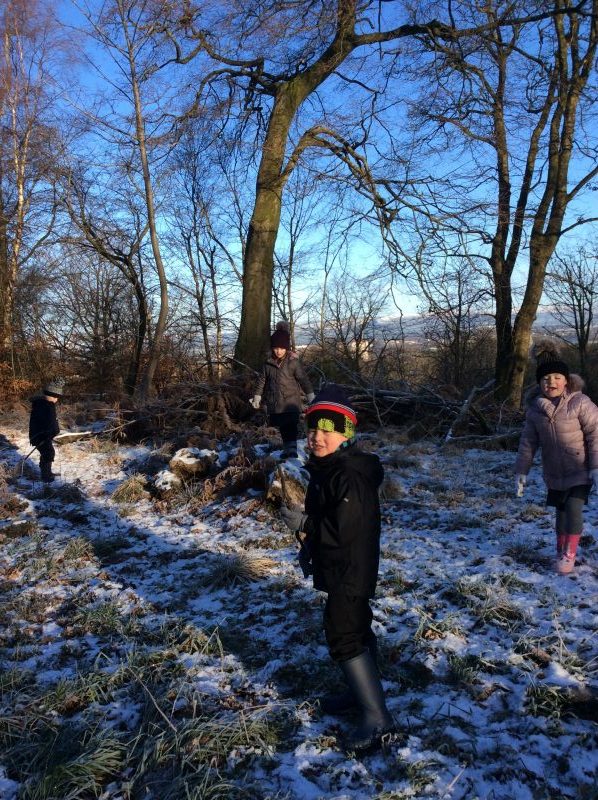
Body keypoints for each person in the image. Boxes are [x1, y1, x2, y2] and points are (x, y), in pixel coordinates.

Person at [281, 384, 394, 752]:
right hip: (343, 567)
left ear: (346, 434)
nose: (317, 437)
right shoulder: (331, 468)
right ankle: (359, 693)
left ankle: (376, 718)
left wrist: (305, 524)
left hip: (350, 569)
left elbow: (345, 529)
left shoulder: (348, 475)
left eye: (327, 430)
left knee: (343, 632)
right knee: (356, 627)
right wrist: (309, 543)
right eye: (312, 429)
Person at [515, 357, 598, 575]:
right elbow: (528, 442)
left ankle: (569, 552)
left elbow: (595, 434)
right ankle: (560, 548)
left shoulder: (580, 402)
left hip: (580, 468)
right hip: (554, 472)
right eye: (545, 378)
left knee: (573, 508)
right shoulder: (535, 410)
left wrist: (595, 466)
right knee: (561, 512)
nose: (551, 382)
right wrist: (521, 471)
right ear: (539, 383)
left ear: (566, 381)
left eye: (557, 377)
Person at [250, 322, 314, 459]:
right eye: (276, 348)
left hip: (291, 401)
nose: (278, 351)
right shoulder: (268, 364)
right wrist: (257, 396)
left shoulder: (292, 362)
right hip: (276, 401)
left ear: (286, 348)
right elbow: (262, 381)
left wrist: (310, 395)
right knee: (283, 426)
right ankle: (287, 448)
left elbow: (303, 379)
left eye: (282, 348)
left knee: (290, 425)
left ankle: (292, 450)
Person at [29, 378, 65, 482]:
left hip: (44, 435)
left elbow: (52, 421)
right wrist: (47, 432)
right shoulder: (43, 406)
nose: (56, 400)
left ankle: (47, 472)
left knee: (47, 452)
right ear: (48, 395)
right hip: (41, 436)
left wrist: (53, 431)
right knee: (48, 453)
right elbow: (44, 422)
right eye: (55, 397)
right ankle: (46, 476)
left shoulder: (47, 405)